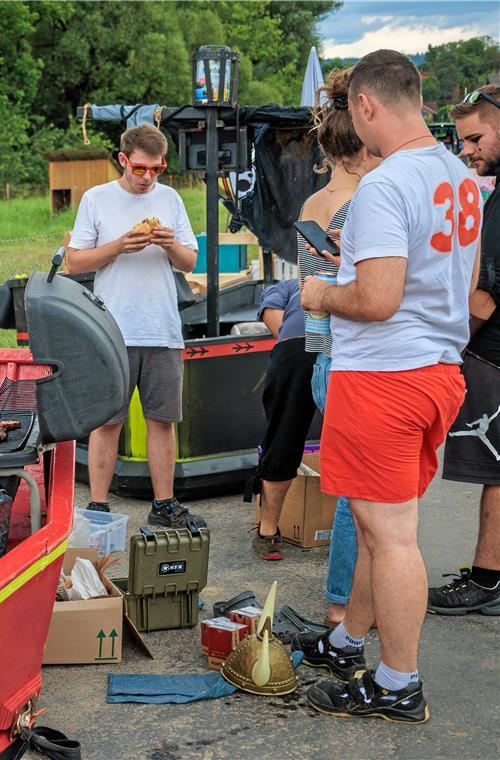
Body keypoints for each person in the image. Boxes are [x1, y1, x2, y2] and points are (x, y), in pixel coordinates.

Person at [298, 50, 480, 724]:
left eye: (352, 114)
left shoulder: (383, 184)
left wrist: (321, 291)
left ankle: (399, 682)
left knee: (390, 533)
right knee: (382, 530)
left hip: (384, 376)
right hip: (435, 370)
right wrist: (357, 264)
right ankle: (349, 644)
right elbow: (451, 282)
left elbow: (376, 300)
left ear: (366, 106)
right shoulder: (457, 176)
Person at [66, 124, 205, 529]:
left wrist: (168, 244)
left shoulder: (171, 198)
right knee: (108, 421)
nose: (148, 178)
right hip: (113, 329)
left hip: (161, 325)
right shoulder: (97, 199)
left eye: (157, 170)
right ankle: (97, 505)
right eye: (141, 169)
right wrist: (117, 247)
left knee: (163, 420)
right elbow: (75, 262)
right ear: (123, 160)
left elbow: (189, 262)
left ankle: (164, 503)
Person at [293, 67, 382, 623]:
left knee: (353, 490)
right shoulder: (376, 201)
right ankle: (342, 605)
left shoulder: (312, 208)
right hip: (356, 360)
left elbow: (307, 295)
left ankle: (351, 602)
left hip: (324, 362)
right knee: (360, 498)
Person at [428, 83, 500, 616]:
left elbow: (486, 293)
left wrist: (450, 345)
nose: (467, 150)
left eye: (475, 138)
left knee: (495, 472)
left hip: (491, 354)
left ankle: (488, 579)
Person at [249, 278, 316, 561]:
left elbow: (274, 320)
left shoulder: (288, 286)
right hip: (345, 340)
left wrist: (298, 336)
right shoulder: (289, 285)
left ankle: (267, 532)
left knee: (283, 437)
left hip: (298, 343)